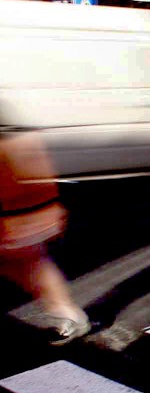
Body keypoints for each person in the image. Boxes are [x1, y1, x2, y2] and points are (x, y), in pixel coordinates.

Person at [0, 116, 90, 345]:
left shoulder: (11, 132)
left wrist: (39, 210)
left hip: (15, 214)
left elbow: (26, 165)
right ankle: (67, 313)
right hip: (17, 212)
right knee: (25, 264)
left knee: (28, 263)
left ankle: (68, 314)